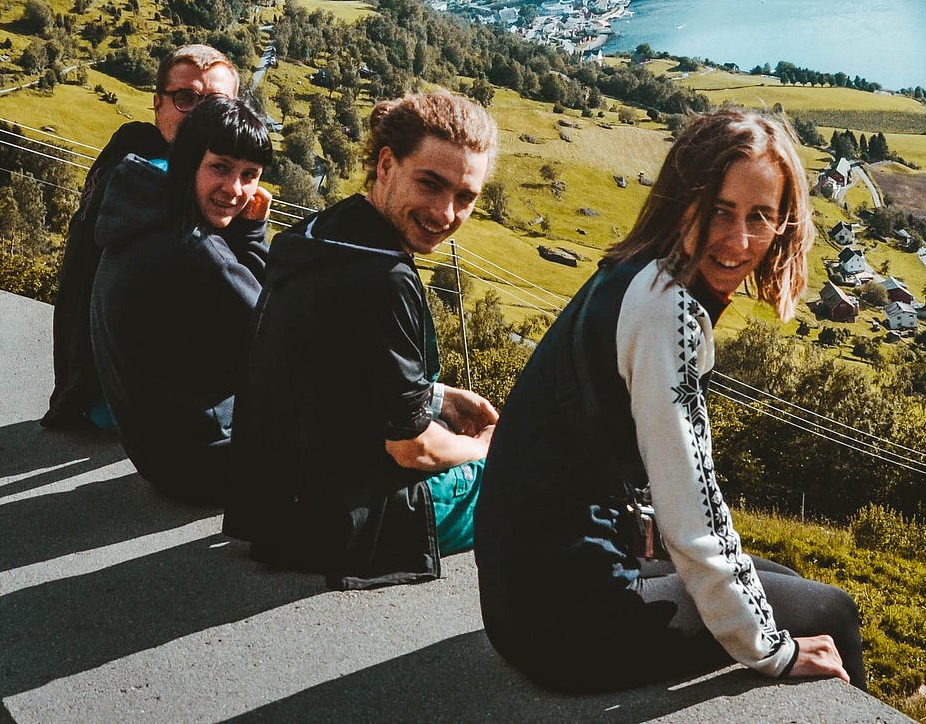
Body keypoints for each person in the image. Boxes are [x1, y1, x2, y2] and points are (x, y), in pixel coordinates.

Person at [474, 107, 865, 693]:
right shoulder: (665, 311)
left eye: (761, 217)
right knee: (830, 611)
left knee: (781, 579)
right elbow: (695, 510)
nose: (738, 241)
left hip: (519, 593)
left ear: (784, 222)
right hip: (561, 624)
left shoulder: (632, 273)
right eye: (719, 211)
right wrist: (775, 653)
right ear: (684, 201)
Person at [226, 87, 500, 587]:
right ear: (387, 165)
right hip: (339, 520)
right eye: (431, 184)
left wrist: (438, 397)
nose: (445, 213)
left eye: (465, 197)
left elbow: (332, 369)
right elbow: (411, 448)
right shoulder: (385, 279)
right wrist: (487, 447)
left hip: (272, 501)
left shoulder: (322, 232)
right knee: (535, 479)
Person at [42, 43, 239, 430]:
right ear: (158, 104)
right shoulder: (157, 178)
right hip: (129, 402)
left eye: (214, 104)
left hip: (92, 383)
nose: (199, 114)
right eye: (186, 98)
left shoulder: (127, 150)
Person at [89, 96, 273, 505]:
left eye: (250, 174)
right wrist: (254, 234)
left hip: (159, 455)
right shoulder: (195, 250)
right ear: (189, 160)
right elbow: (280, 327)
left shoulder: (144, 208)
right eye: (220, 168)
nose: (235, 190)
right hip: (210, 463)